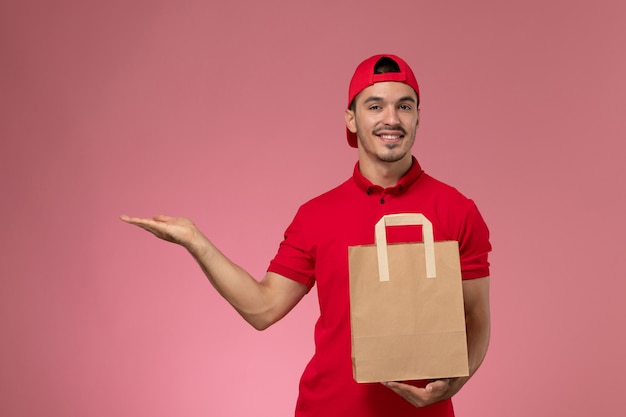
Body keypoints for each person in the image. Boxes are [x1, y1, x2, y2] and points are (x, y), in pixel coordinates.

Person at [121, 54, 492, 417]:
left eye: (405, 106)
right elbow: (263, 308)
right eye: (375, 106)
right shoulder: (317, 215)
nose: (391, 119)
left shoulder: (457, 210)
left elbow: (476, 318)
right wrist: (195, 241)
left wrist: (456, 382)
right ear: (351, 118)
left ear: (418, 117)